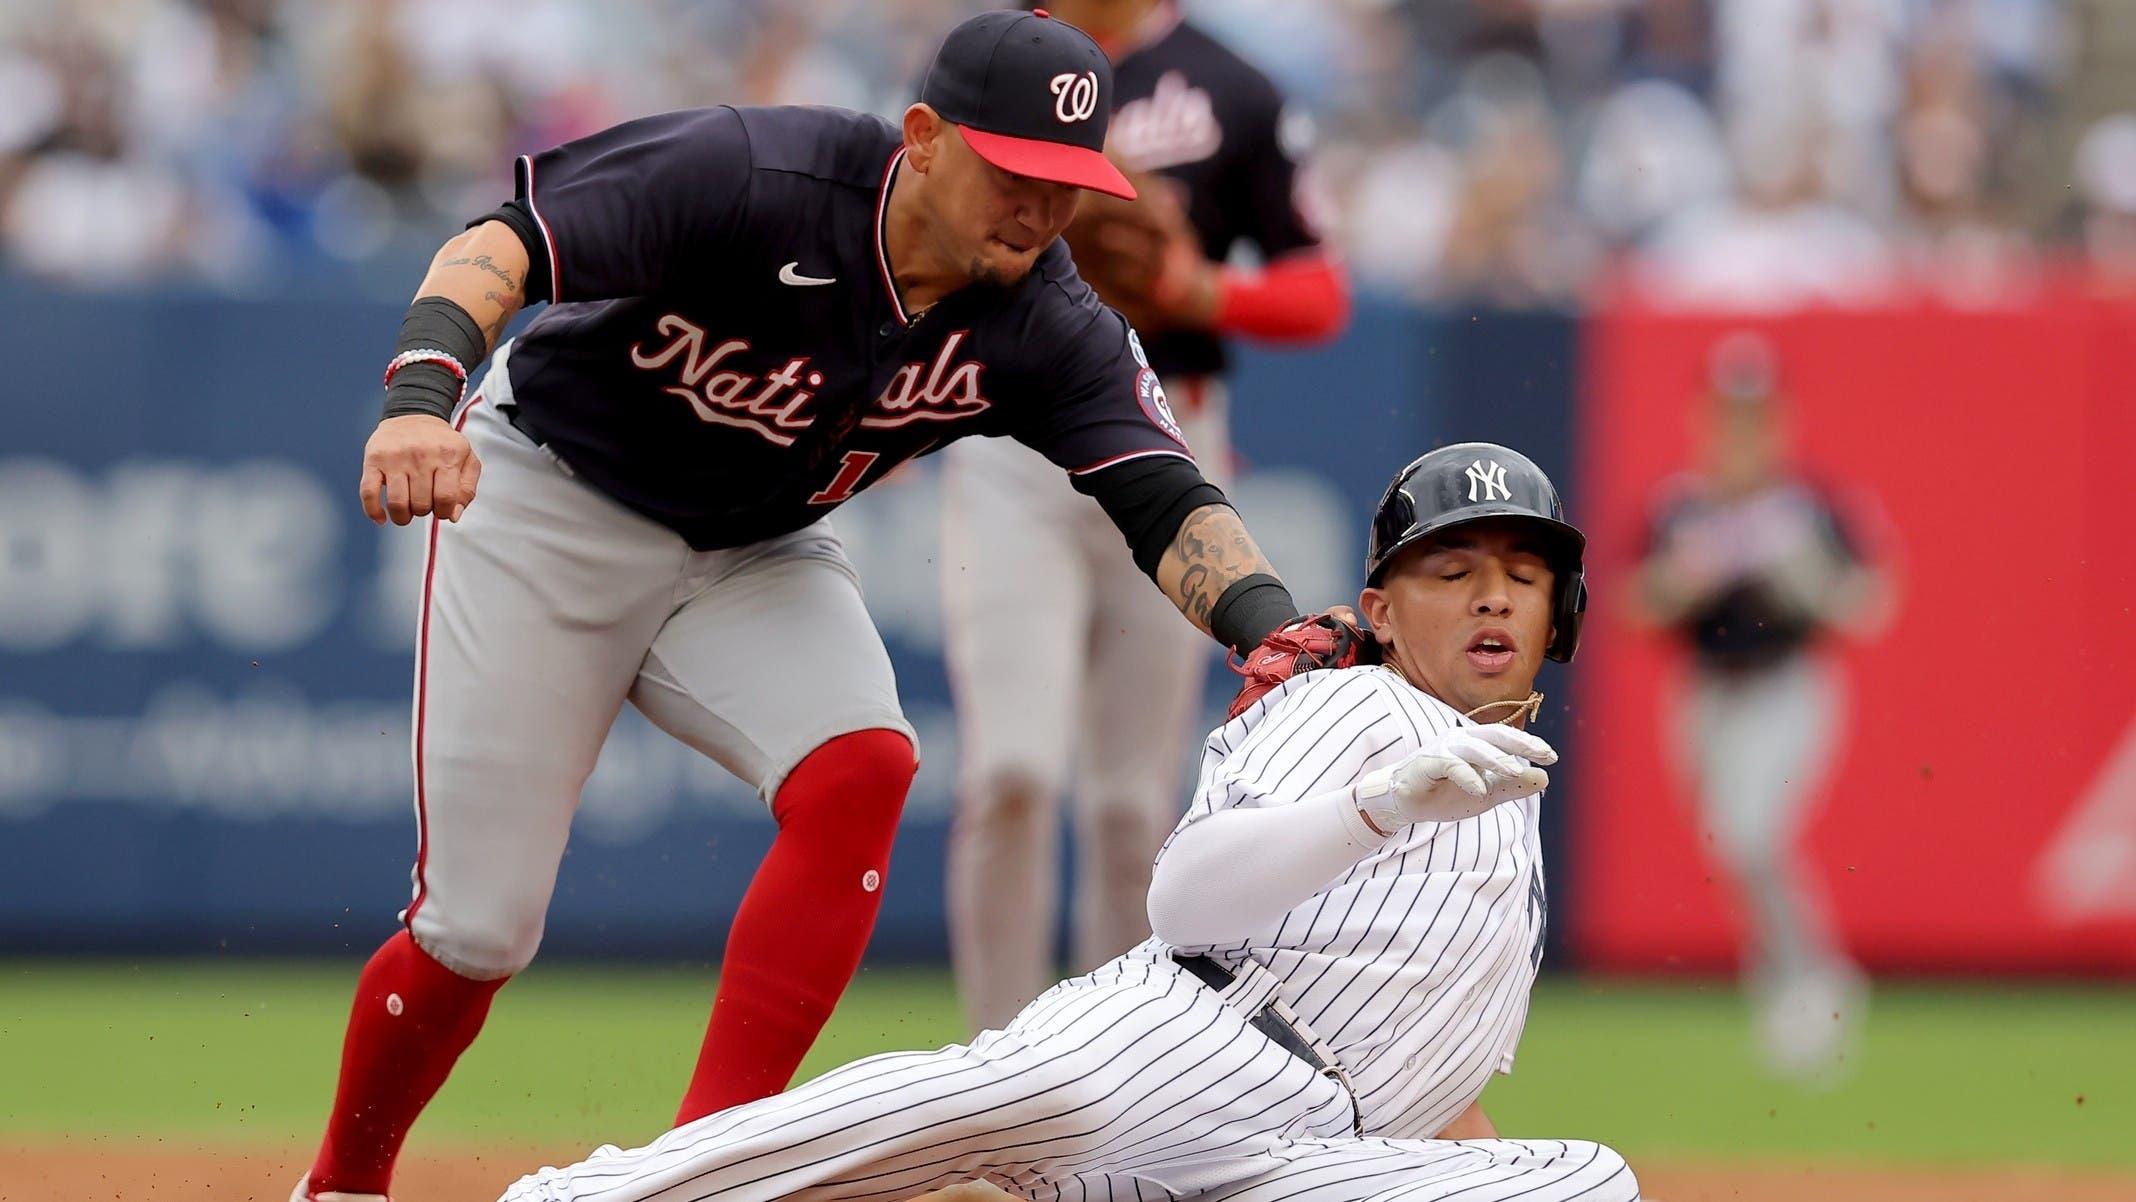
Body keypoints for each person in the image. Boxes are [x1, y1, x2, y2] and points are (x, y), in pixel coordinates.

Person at [295, 12, 1349, 1201]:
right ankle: (342, 1183)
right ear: (926, 138)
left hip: (754, 544)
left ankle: (701, 1171)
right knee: (477, 932)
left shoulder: (1044, 313)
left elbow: (1164, 493)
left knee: (862, 766)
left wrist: (1269, 620)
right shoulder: (760, 169)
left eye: (1068, 184)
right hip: (553, 500)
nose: (1042, 212)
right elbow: (506, 243)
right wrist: (420, 396)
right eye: (1016, 172)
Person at [495, 443, 1638, 1202]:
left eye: (1525, 573)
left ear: (1562, 614)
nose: (1494, 592)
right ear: (1380, 612)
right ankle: (587, 1194)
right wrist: (1376, 803)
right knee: (960, 1106)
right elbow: (1183, 895)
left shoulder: (1503, 785)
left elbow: (1433, 1072)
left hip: (1304, 1157)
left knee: (1590, 1179)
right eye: (1455, 568)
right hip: (1187, 1047)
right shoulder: (1358, 700)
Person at [941, 0, 1350, 1035]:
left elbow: (1319, 290)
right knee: (1012, 773)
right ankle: (996, 1067)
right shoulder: (992, 59)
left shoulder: (1231, 82)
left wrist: (1194, 287)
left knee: (1130, 804)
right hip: (1005, 440)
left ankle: (1107, 1076)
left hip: (1165, 437)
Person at [1630, 332, 1893, 1079]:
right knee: (1730, 847)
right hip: (1705, 691)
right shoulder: (1682, 504)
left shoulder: (1808, 504)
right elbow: (1632, 605)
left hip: (1787, 683)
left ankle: (1816, 983)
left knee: (1751, 836)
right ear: (1707, 417)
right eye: (1729, 412)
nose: (1742, 428)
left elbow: (1870, 602)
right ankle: (1786, 987)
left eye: (1755, 412)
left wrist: (1803, 576)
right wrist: (1688, 577)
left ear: (1778, 417)